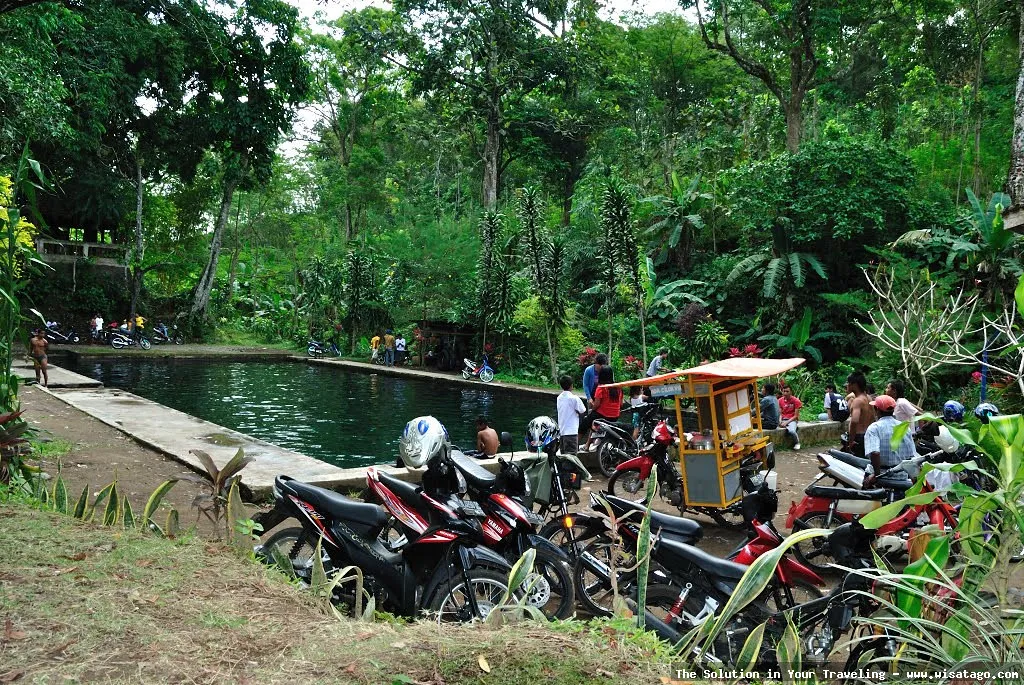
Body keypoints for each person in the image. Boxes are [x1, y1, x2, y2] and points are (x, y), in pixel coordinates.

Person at [862, 395, 916, 487]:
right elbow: (911, 456)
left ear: (877, 410)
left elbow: (875, 453)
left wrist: (876, 475)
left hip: (881, 477)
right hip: (901, 477)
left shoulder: (874, 428)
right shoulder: (904, 428)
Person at [582, 366, 622, 452]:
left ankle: (586, 445)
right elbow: (621, 403)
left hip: (603, 415)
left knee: (586, 422)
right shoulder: (618, 387)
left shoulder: (601, 388)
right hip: (615, 416)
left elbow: (596, 405)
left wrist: (592, 408)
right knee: (594, 419)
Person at [556, 375, 587, 454]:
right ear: (571, 385)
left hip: (562, 432)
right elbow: (582, 411)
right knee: (571, 457)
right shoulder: (574, 398)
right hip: (571, 432)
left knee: (563, 456)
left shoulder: (559, 398)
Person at [846, 372, 873, 458]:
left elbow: (854, 420)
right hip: (868, 434)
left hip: (858, 436)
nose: (847, 385)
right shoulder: (868, 398)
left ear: (854, 384)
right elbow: (873, 416)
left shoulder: (857, 401)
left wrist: (851, 440)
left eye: (849, 383)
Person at [779, 385, 803, 450]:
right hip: (783, 419)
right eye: (784, 391)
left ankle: (797, 443)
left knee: (792, 431)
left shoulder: (796, 401)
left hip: (792, 419)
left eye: (787, 391)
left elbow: (796, 416)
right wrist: (780, 421)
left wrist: (786, 422)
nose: (785, 393)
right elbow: (780, 413)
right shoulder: (780, 400)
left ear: (791, 392)